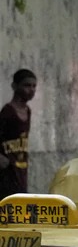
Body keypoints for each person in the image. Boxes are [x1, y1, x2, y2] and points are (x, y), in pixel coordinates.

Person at [0, 69, 36, 198]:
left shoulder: (27, 111)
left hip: (21, 172)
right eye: (27, 85)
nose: (31, 90)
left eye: (34, 86)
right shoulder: (7, 112)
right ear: (15, 86)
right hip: (6, 176)